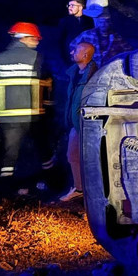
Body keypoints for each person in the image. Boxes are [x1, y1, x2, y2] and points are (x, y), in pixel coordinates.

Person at [0, 22, 54, 198]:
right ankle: (50, 182)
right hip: (34, 115)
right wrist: (49, 111)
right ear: (24, 38)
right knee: (43, 150)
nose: (37, 42)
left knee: (9, 153)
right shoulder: (39, 58)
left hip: (8, 117)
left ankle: (5, 190)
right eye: (34, 38)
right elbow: (48, 87)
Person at [56, 40, 98, 203]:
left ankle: (88, 191)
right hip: (76, 123)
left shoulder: (94, 76)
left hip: (87, 124)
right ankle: (80, 188)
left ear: (86, 54)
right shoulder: (74, 73)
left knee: (86, 157)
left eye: (76, 51)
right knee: (73, 156)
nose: (72, 53)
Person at [57, 0, 94, 65]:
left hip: (87, 56)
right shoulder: (65, 21)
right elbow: (60, 40)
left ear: (80, 7)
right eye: (68, 5)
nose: (69, 8)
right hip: (70, 56)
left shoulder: (89, 20)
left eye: (72, 5)